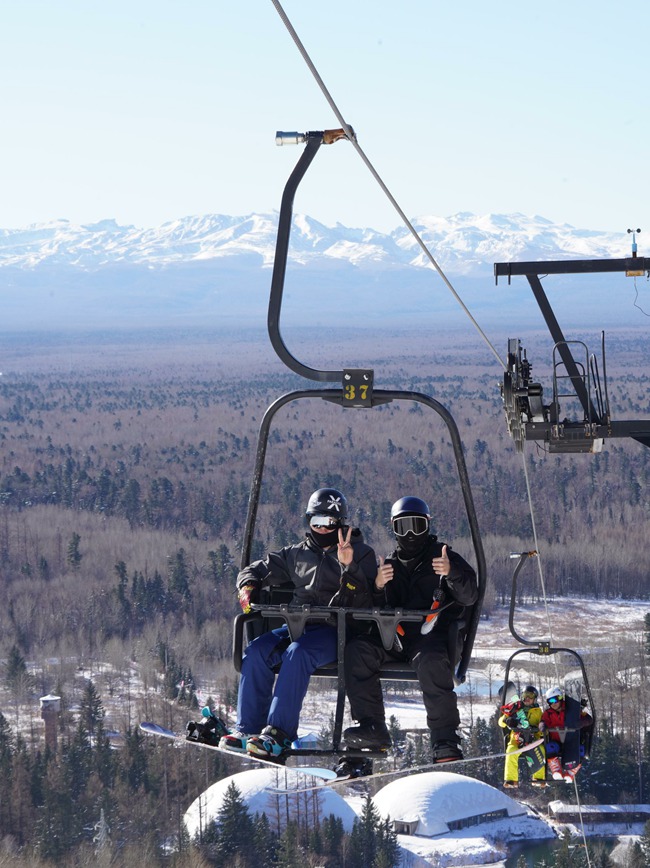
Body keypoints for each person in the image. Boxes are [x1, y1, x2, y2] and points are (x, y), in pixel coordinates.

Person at [219, 487, 377, 761]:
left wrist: (347, 565)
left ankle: (278, 733)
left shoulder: (361, 553)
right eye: (316, 522)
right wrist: (248, 585)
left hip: (336, 630)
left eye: (329, 523)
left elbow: (367, 596)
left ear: (340, 523)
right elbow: (257, 568)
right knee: (256, 651)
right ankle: (249, 729)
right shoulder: (297, 554)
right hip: (298, 626)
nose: (322, 529)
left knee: (297, 653)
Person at [342, 496, 478, 763]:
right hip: (396, 638)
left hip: (432, 639)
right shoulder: (390, 565)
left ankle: (445, 738)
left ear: (427, 526)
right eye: (404, 527)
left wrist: (451, 573)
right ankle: (372, 728)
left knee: (431, 662)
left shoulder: (444, 557)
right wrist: (379, 587)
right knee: (357, 651)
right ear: (394, 529)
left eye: (417, 526)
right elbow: (377, 610)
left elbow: (470, 595)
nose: (411, 534)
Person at [498, 685, 546, 788]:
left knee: (541, 750)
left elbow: (542, 726)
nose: (527, 698)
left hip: (532, 740)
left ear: (534, 698)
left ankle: (538, 778)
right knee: (511, 752)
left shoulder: (538, 712)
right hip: (517, 739)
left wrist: (539, 730)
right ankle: (511, 779)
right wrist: (507, 720)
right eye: (525, 695)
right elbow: (501, 723)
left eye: (530, 696)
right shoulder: (516, 709)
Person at [541, 685, 593, 781]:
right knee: (549, 747)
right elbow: (543, 721)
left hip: (572, 741)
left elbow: (588, 719)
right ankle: (556, 769)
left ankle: (571, 771)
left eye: (555, 700)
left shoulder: (572, 709)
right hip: (557, 741)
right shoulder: (548, 713)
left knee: (581, 750)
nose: (553, 704)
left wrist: (581, 722)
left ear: (560, 698)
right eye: (550, 702)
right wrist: (542, 726)